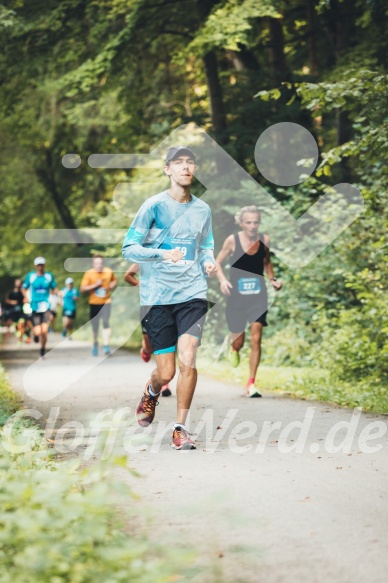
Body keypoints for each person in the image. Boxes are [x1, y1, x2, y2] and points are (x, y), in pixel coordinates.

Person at [122, 144, 217, 451]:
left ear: (195, 169)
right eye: (179, 163)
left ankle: (180, 429)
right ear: (168, 170)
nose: (186, 167)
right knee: (166, 372)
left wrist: (208, 260)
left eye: (190, 162)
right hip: (158, 297)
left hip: (193, 293)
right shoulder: (153, 206)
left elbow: (205, 245)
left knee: (188, 356)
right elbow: (129, 249)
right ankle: (151, 391)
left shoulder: (203, 209)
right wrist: (163, 254)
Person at [215, 206, 282, 397]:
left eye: (256, 222)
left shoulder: (264, 240)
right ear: (241, 223)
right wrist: (223, 280)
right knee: (239, 343)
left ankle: (251, 383)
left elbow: (267, 262)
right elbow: (217, 262)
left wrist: (272, 279)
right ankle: (234, 348)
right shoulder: (232, 241)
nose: (253, 226)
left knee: (257, 338)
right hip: (236, 298)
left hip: (258, 298)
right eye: (248, 222)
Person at [124, 263, 172, 397]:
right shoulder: (145, 257)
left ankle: (165, 382)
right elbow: (127, 276)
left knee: (164, 344)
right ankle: (145, 349)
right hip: (147, 307)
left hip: (167, 306)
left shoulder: (170, 256)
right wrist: (140, 284)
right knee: (150, 348)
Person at [80, 255, 117, 356]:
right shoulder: (89, 274)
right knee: (95, 327)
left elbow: (114, 280)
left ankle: (106, 345)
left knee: (106, 322)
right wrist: (96, 285)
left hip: (106, 302)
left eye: (100, 263)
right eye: (97, 263)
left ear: (103, 263)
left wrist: (112, 285)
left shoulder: (109, 272)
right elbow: (82, 289)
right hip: (94, 303)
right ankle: (95, 342)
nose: (99, 265)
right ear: (93, 263)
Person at [22, 257, 58, 358]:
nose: (40, 266)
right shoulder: (31, 276)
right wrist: (26, 297)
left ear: (44, 265)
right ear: (35, 266)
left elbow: (54, 288)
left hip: (46, 306)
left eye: (41, 264)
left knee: (44, 331)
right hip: (35, 306)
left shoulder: (48, 276)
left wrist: (58, 293)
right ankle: (36, 336)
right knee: (38, 331)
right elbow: (24, 288)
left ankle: (42, 350)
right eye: (38, 265)